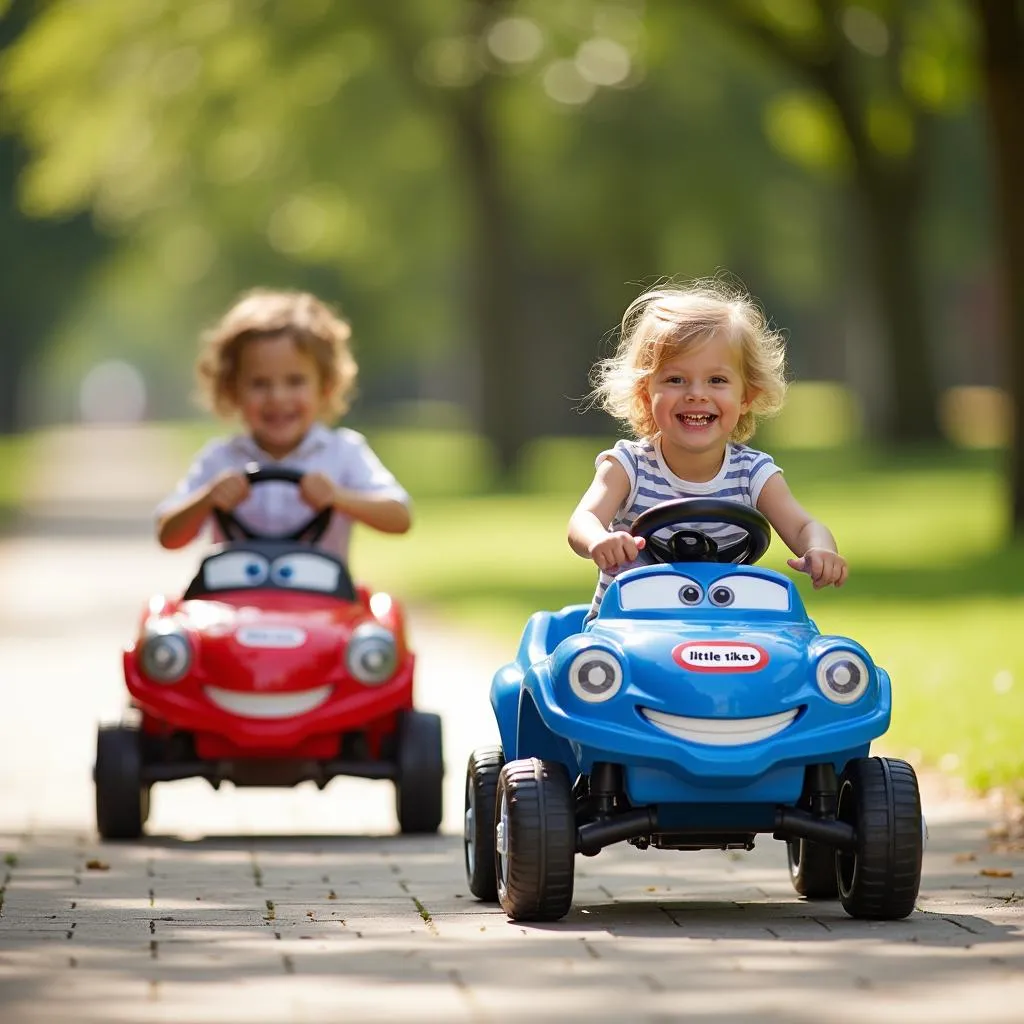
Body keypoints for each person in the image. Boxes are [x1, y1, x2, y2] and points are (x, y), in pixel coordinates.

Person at [568, 278, 847, 617]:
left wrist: (820, 549)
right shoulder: (628, 466)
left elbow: (803, 526)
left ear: (746, 397)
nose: (696, 394)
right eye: (675, 380)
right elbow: (583, 519)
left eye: (716, 380)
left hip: (725, 633)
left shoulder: (752, 473)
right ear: (645, 394)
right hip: (627, 632)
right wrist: (599, 540)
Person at [156, 288, 411, 560]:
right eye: (259, 384)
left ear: (325, 386)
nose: (277, 398)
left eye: (295, 381)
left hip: (322, 597)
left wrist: (337, 497)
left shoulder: (343, 452)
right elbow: (168, 535)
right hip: (233, 596)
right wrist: (207, 498)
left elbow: (400, 517)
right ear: (232, 390)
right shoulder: (221, 459)